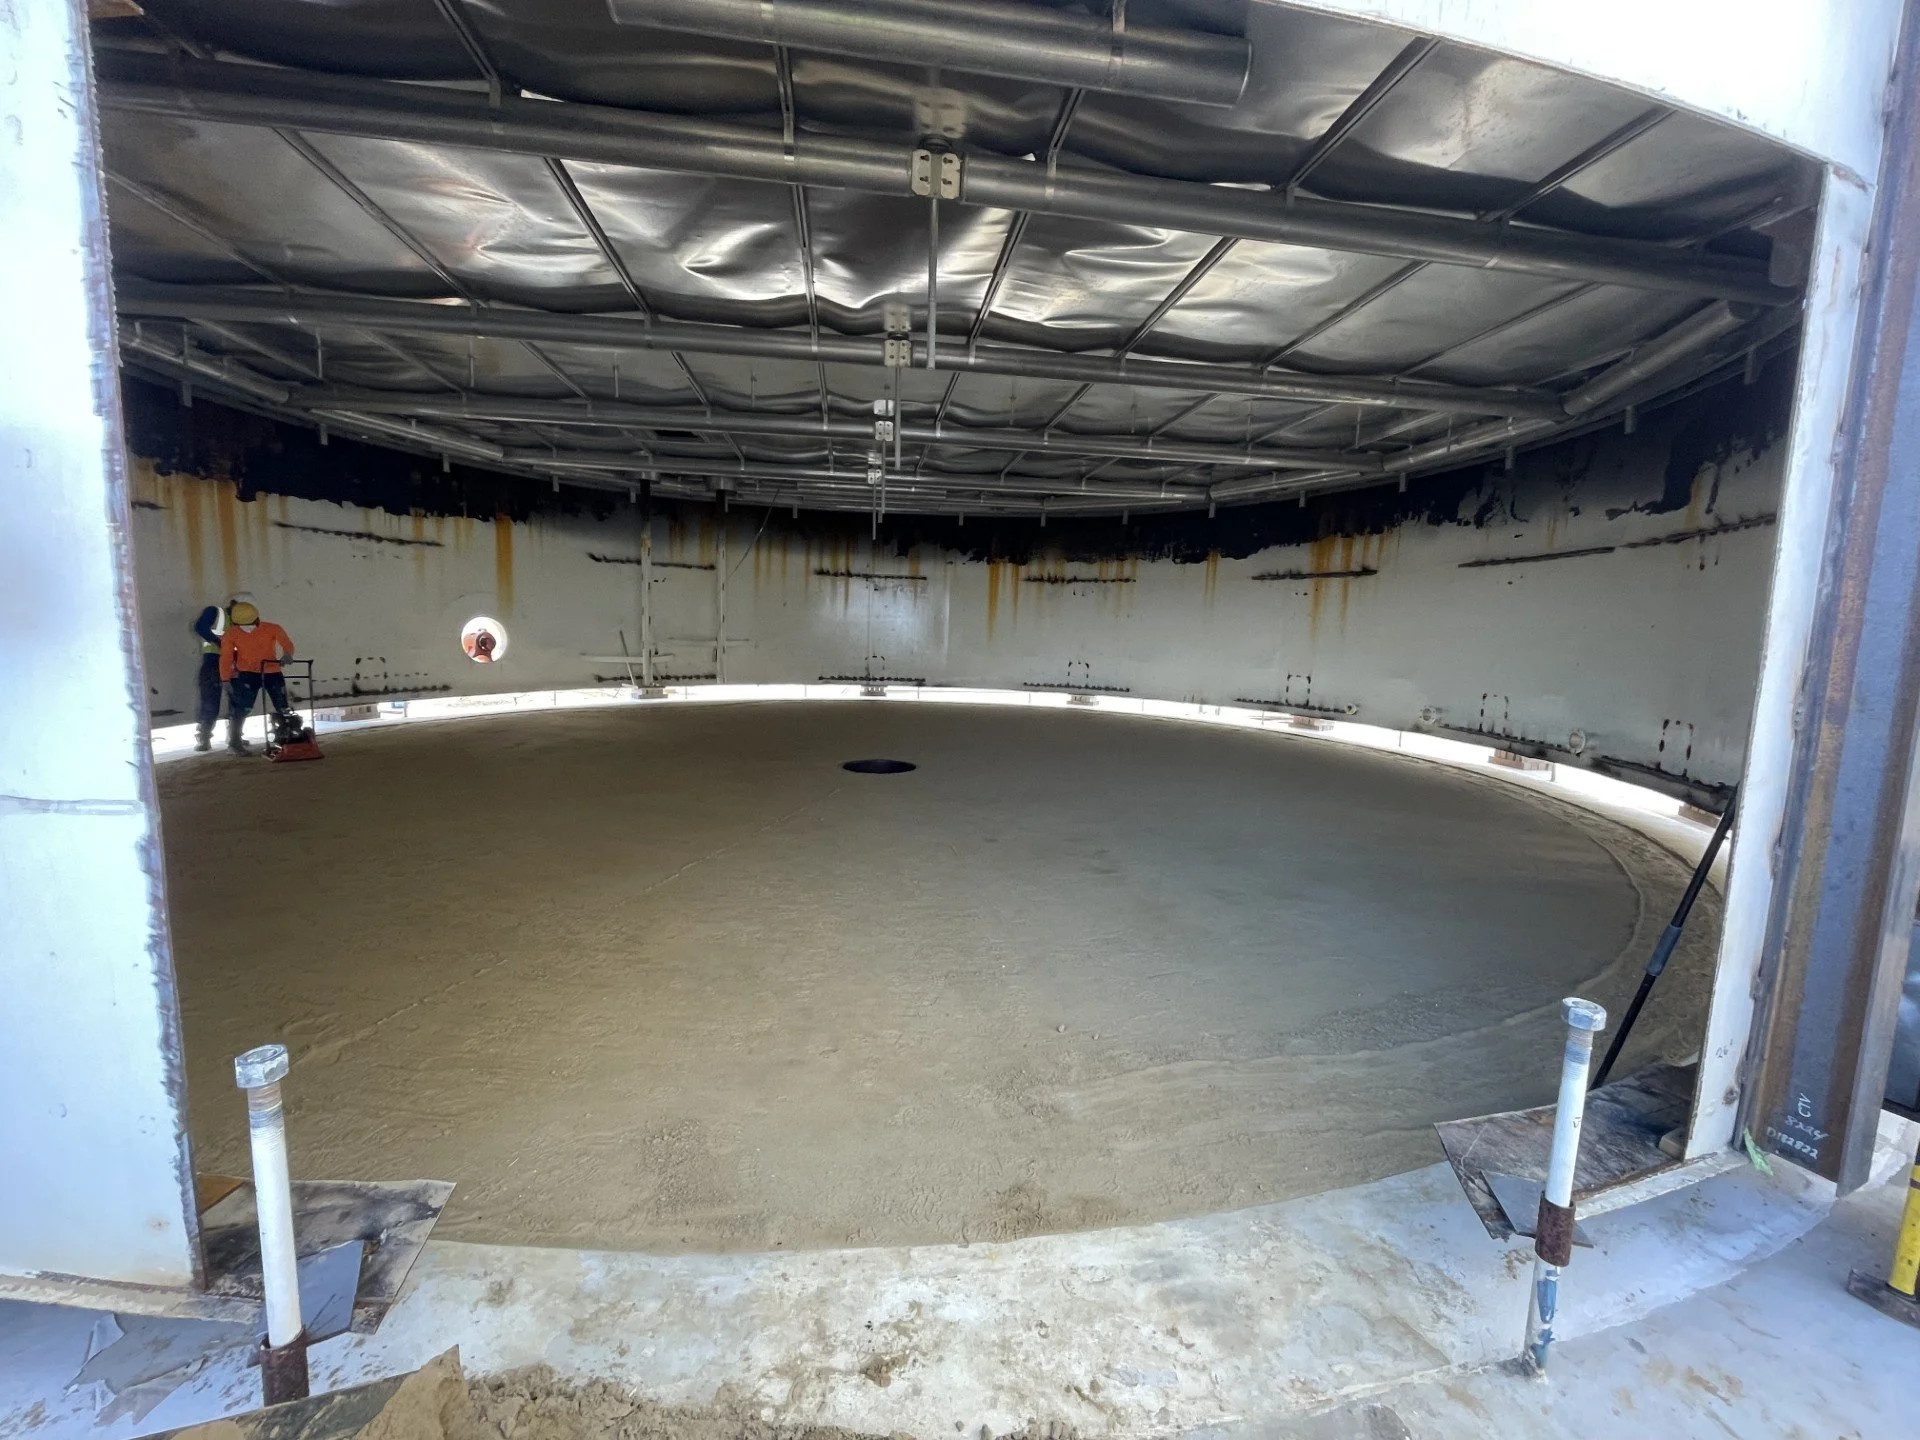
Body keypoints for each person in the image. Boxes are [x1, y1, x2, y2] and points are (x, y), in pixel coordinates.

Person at [219, 600, 296, 756]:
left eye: (251, 624)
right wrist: (225, 678)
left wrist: (288, 654)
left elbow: (287, 644)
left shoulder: (272, 628)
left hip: (272, 671)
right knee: (242, 708)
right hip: (247, 675)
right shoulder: (231, 634)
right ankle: (234, 743)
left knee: (282, 706)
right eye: (244, 626)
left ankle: (288, 737)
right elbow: (225, 657)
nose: (248, 629)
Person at [189, 592, 251, 752]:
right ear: (233, 603)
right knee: (210, 700)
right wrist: (222, 643)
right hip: (213, 660)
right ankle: (204, 738)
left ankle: (235, 737)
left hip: (234, 664)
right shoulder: (215, 613)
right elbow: (200, 627)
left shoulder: (243, 623)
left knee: (238, 701)